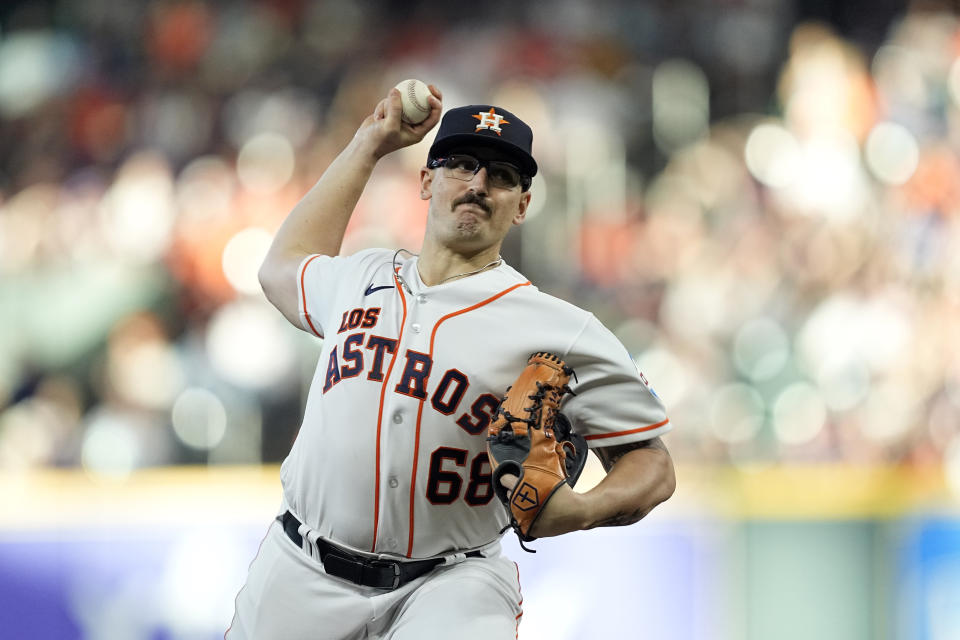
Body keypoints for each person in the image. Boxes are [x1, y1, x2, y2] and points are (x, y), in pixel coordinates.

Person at [227, 84, 675, 639]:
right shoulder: (359, 276)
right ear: (425, 181)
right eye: (461, 165)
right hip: (300, 569)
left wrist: (582, 510)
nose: (479, 184)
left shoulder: (560, 328)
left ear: (523, 205)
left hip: (453, 583)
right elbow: (281, 268)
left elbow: (652, 464)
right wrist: (369, 143)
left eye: (503, 176)